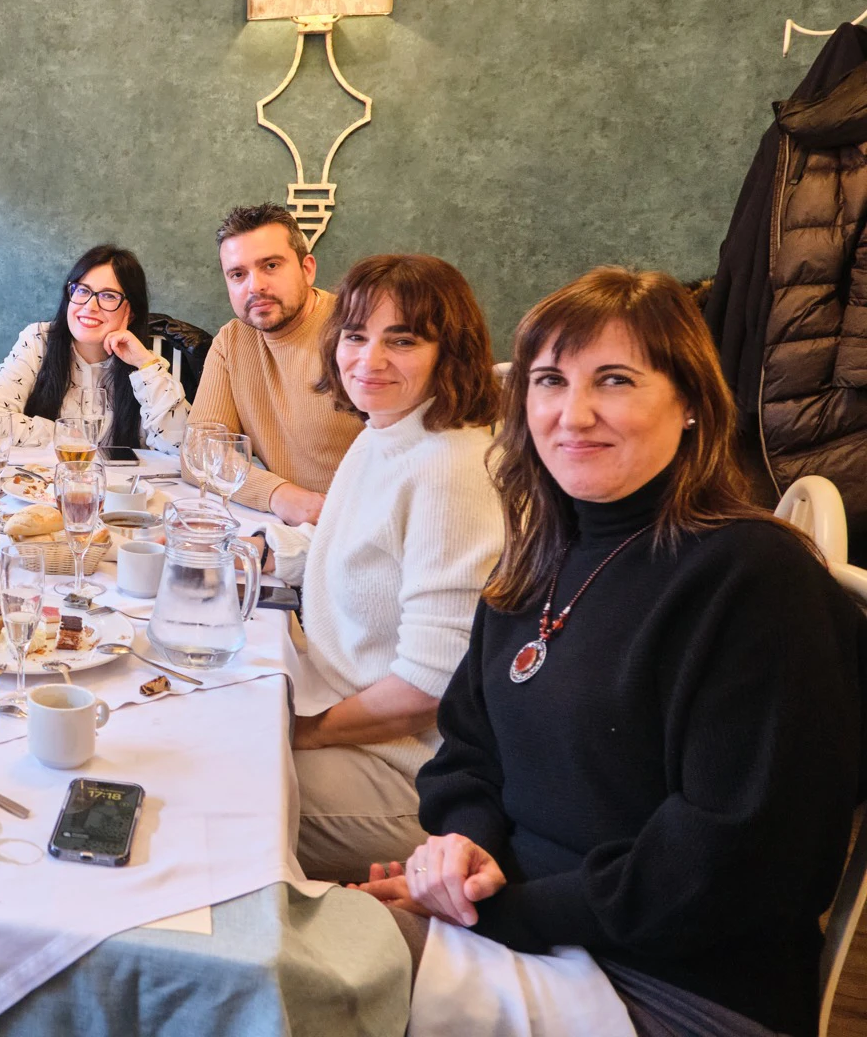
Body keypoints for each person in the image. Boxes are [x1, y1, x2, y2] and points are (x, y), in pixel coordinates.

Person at [357, 268, 864, 1037]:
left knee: (289, 973)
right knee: (272, 953)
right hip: (529, 928)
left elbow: (729, 866)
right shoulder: (539, 558)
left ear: (691, 402)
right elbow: (466, 750)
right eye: (550, 381)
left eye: (615, 380)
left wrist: (506, 913)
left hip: (679, 987)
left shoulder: (755, 580)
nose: (573, 413)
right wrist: (463, 852)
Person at [253, 255, 504, 883]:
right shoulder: (385, 431)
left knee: (204, 791)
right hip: (344, 710)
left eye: (403, 340)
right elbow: (360, 550)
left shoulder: (451, 468)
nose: (369, 360)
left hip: (408, 772)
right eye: (356, 335)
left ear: (451, 352)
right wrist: (261, 557)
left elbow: (430, 687)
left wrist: (303, 731)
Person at [190, 203, 363, 525]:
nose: (255, 286)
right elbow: (199, 452)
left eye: (271, 266)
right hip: (291, 532)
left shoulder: (359, 333)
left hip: (366, 529)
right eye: (238, 274)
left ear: (307, 269)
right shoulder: (232, 341)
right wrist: (278, 495)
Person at [0, 244, 189, 452]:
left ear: (131, 312)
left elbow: (183, 446)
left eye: (108, 296)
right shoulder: (38, 340)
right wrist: (64, 436)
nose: (90, 306)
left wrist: (145, 364)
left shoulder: (146, 363)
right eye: (82, 290)